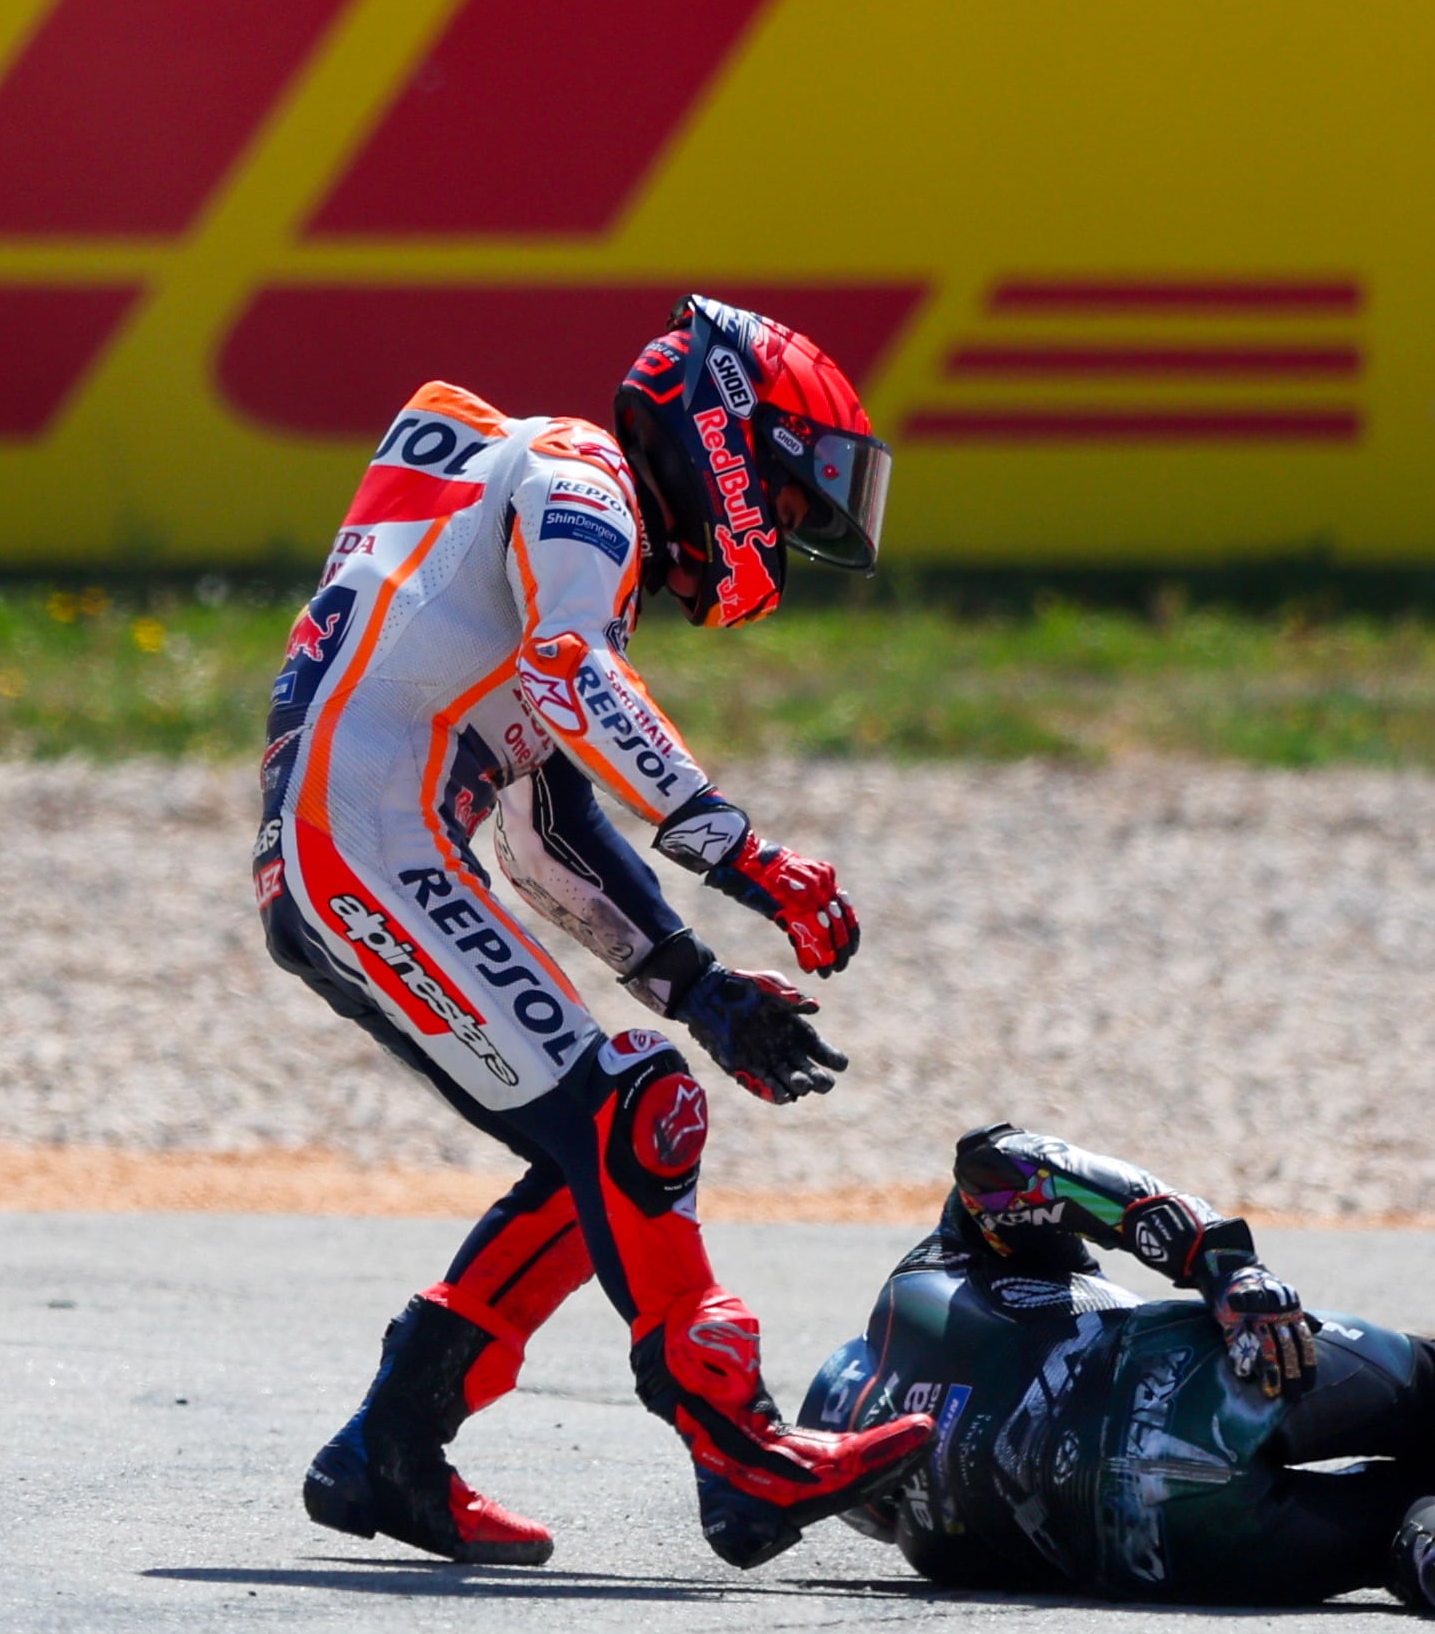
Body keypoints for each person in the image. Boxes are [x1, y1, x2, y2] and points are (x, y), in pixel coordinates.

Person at [258, 295, 933, 1567]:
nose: (776, 544)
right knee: (636, 1110)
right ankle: (742, 1449)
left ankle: (387, 1453)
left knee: (603, 1152)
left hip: (355, 846)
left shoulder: (526, 515)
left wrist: (697, 987)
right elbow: (572, 676)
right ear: (730, 437)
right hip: (362, 842)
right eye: (785, 507)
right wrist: (748, 855)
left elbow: (546, 823)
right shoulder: (584, 473)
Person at [796, 1125, 1435, 1622]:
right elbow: (1005, 1155)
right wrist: (1225, 1268)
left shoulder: (933, 1548)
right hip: (1190, 1382)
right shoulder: (928, 1279)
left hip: (1176, 1555)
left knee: (1397, 1525)